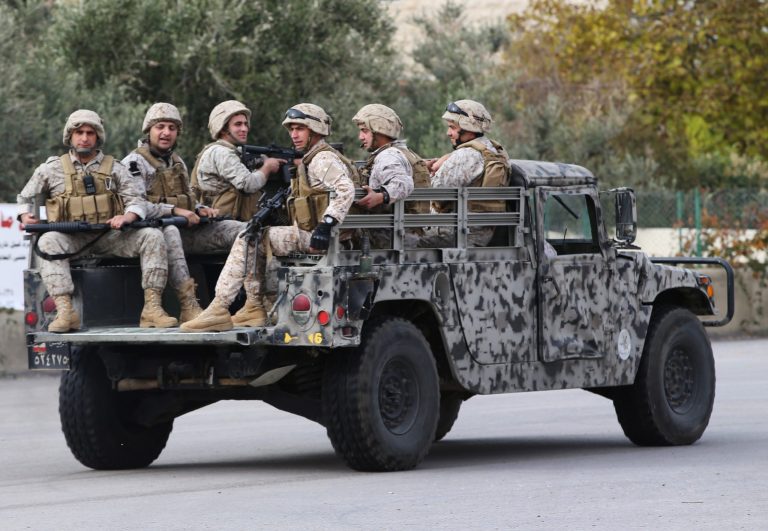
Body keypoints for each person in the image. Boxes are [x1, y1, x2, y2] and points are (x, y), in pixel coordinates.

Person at [181, 103, 355, 332]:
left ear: (314, 129)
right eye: (291, 129)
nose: (294, 135)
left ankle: (220, 307)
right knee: (255, 236)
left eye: (300, 129)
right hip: (314, 234)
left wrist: (326, 225)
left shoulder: (322, 159)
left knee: (248, 237)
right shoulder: (315, 158)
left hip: (319, 238)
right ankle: (254, 306)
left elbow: (346, 189)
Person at [18, 109, 177, 332]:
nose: (84, 138)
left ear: (98, 136)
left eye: (90, 133)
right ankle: (66, 312)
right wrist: (25, 214)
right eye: (79, 132)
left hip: (109, 237)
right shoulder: (51, 169)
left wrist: (127, 216)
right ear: (70, 137)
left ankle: (152, 308)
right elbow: (25, 196)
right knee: (47, 241)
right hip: (72, 239)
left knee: (152, 236)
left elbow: (137, 200)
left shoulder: (115, 168)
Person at [122, 103, 246, 323]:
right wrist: (175, 210)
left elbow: (187, 196)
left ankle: (251, 301)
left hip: (186, 232)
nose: (166, 132)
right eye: (160, 126)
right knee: (168, 230)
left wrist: (199, 208)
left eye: (172, 127)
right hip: (155, 236)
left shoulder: (176, 162)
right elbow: (135, 205)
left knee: (244, 231)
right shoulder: (134, 163)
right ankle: (189, 305)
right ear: (149, 130)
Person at [421, 99, 510, 248]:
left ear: (468, 128)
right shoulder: (494, 150)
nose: (448, 133)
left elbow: (435, 193)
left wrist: (426, 171)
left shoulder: (465, 155)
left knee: (396, 239)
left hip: (454, 235)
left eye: (452, 127)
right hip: (477, 234)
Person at [351, 104, 430, 248]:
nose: (360, 136)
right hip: (401, 234)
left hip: (388, 238)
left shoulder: (388, 155)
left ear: (379, 130)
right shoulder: (400, 151)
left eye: (364, 131)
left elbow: (403, 183)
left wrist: (380, 197)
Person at [191, 100, 284, 221]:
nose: (244, 128)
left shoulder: (231, 151)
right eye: (238, 124)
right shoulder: (221, 152)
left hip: (227, 220)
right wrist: (267, 167)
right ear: (223, 129)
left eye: (246, 124)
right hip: (217, 222)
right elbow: (248, 184)